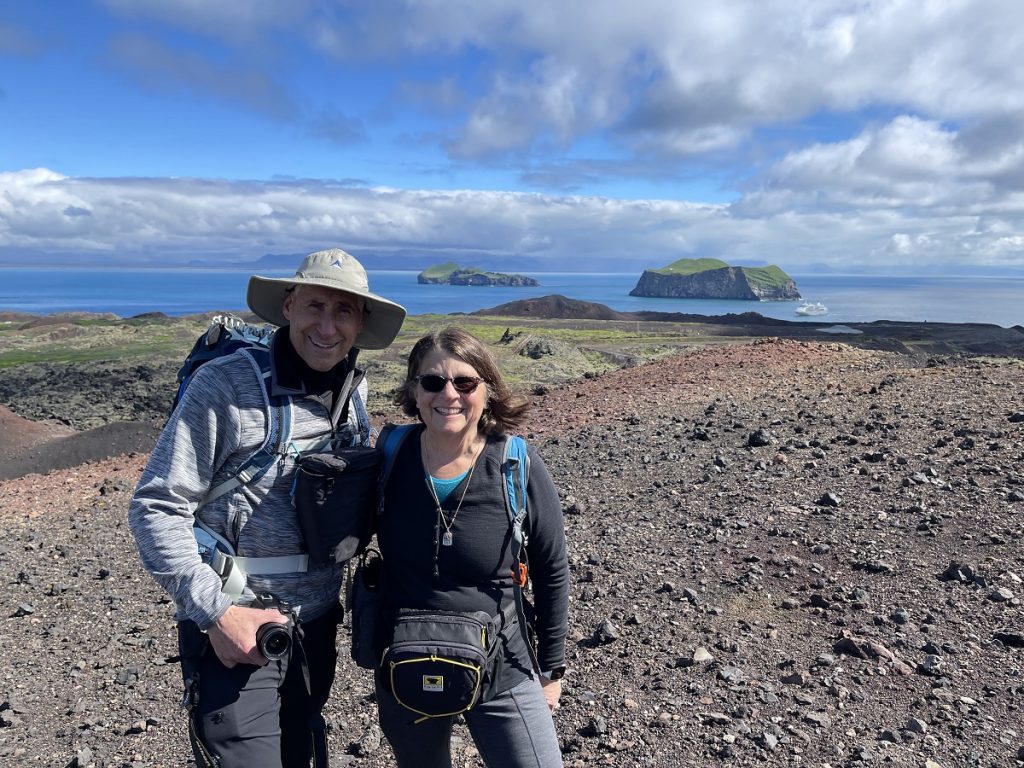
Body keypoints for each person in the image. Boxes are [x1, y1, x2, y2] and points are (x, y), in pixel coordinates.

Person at [128, 248, 406, 767]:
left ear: (361, 322)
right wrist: (215, 612)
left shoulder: (354, 394)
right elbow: (156, 506)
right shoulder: (226, 386)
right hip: (233, 623)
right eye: (315, 307)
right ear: (288, 307)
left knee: (303, 750)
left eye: (344, 311)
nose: (327, 326)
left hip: (317, 625)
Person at [374, 326, 569, 768]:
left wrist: (551, 669)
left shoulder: (515, 463)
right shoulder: (389, 454)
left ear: (487, 390)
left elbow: (551, 568)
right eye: (433, 381)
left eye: (465, 382)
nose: (449, 394)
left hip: (505, 663)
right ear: (414, 390)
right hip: (407, 661)